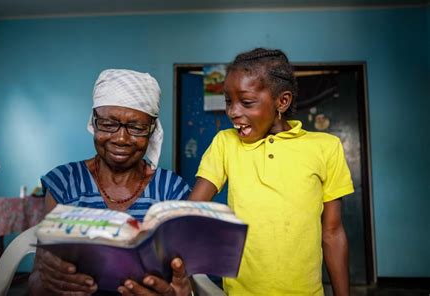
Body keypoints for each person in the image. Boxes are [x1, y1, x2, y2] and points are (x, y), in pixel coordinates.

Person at [186, 48, 354, 295]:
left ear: (282, 101)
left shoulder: (326, 148)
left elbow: (332, 232)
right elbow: (193, 211)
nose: (233, 111)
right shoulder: (226, 143)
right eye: (228, 101)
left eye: (246, 102)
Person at [28, 69, 193, 295]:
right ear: (93, 122)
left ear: (152, 130)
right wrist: (49, 283)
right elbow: (36, 279)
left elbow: (185, 280)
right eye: (108, 123)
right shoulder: (64, 183)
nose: (121, 138)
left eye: (136, 127)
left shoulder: (172, 190)